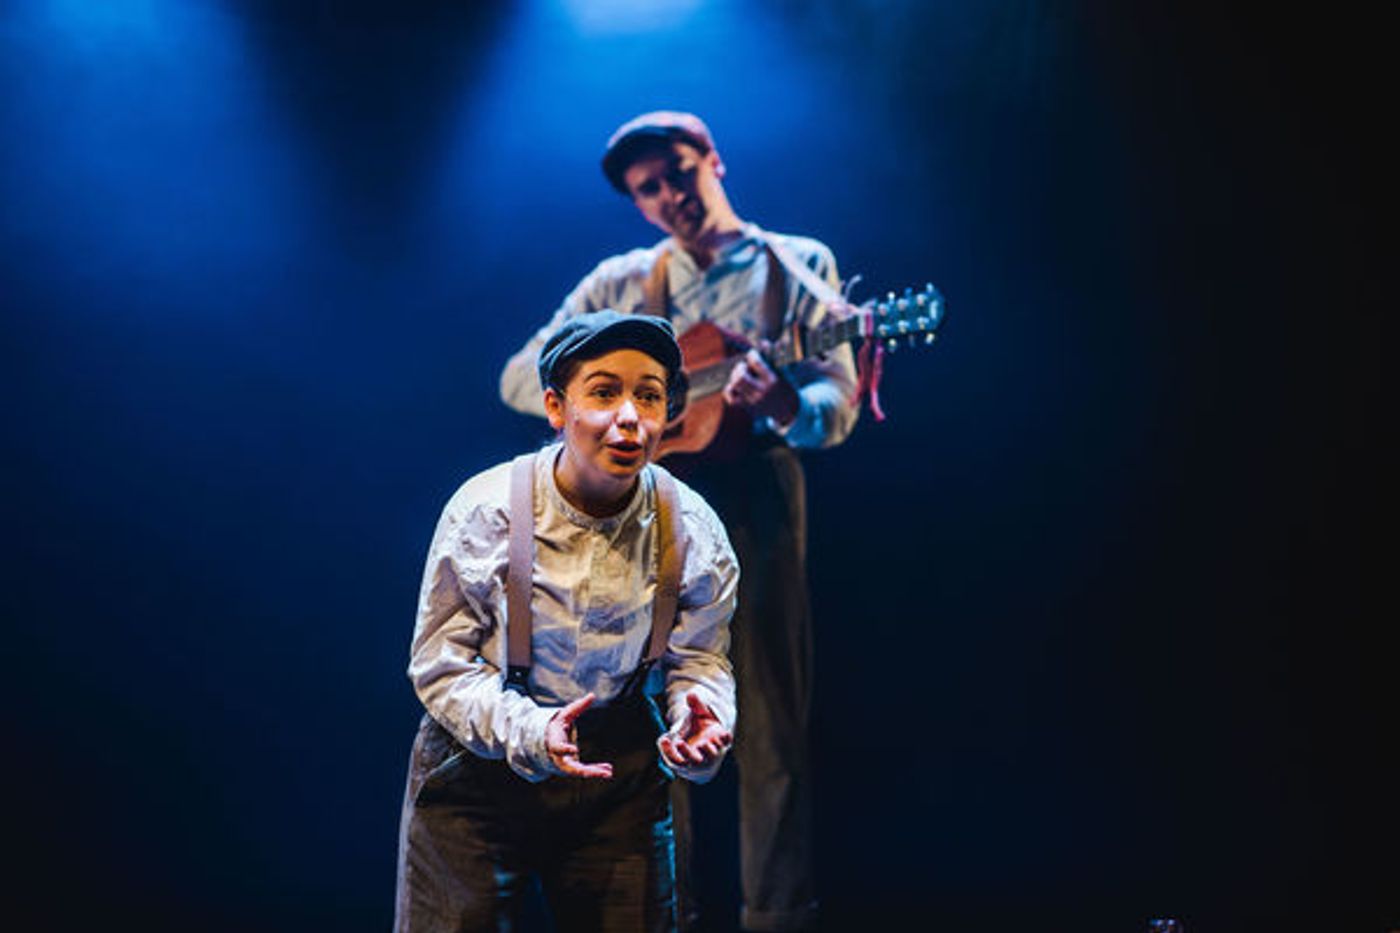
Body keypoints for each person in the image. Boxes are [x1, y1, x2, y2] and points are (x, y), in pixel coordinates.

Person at [500, 112, 858, 932]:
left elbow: (835, 401)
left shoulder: (797, 266)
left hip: (757, 497)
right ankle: (663, 915)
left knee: (769, 716)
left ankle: (778, 915)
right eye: (648, 188)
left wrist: (786, 402)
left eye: (679, 172)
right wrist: (620, 392)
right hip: (648, 510)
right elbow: (521, 376)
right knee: (647, 714)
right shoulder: (621, 282)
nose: (670, 195)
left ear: (713, 160)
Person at [396, 310, 739, 932]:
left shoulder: (691, 528)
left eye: (649, 396)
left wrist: (703, 710)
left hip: (618, 775)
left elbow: (700, 656)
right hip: (479, 770)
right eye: (604, 393)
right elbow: (441, 665)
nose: (629, 416)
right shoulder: (487, 512)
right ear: (556, 407)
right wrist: (532, 729)